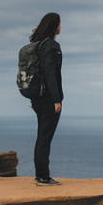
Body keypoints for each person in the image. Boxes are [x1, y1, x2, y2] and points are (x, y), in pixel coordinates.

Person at [28, 12, 63, 185]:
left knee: (42, 135)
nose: (61, 27)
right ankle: (43, 175)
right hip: (49, 99)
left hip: (37, 98)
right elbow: (51, 74)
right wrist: (57, 100)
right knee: (45, 138)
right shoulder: (51, 46)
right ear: (54, 25)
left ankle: (41, 173)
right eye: (59, 23)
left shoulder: (37, 45)